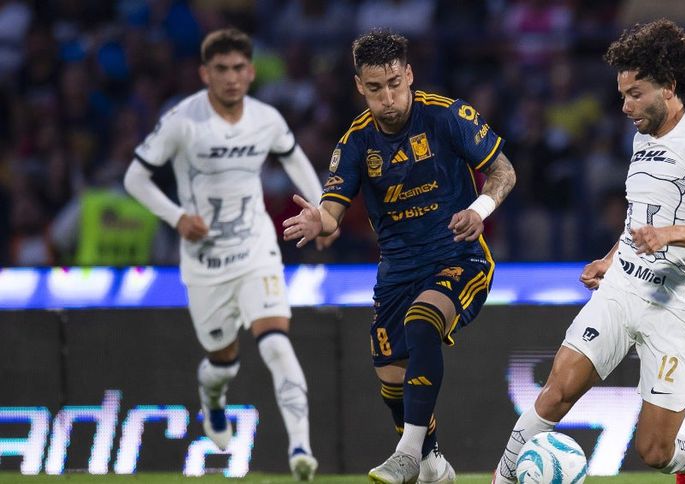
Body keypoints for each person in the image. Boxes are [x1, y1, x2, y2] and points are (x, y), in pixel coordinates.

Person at [493, 19, 685, 484]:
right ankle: (502, 479)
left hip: (677, 307)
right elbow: (639, 216)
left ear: (668, 87)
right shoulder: (642, 135)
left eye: (635, 94)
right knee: (557, 390)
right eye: (623, 95)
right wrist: (612, 257)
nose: (625, 106)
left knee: (655, 450)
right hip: (623, 287)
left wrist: (669, 235)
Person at [282, 30, 516, 484]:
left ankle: (406, 453)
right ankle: (432, 464)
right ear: (359, 86)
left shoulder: (447, 115)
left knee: (422, 321)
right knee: (392, 381)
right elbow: (331, 212)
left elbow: (503, 169)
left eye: (394, 84)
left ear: (408, 75)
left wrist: (479, 210)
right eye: (375, 88)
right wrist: (318, 221)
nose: (387, 98)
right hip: (397, 272)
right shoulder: (355, 142)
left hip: (459, 257)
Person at [123, 28, 332, 481]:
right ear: (205, 74)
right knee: (223, 361)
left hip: (256, 250)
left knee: (276, 341)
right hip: (206, 263)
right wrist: (178, 217)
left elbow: (294, 158)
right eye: (221, 69)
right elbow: (134, 179)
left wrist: (320, 211)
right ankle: (213, 397)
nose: (232, 77)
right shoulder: (182, 121)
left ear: (251, 72)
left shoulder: (266, 119)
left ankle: (301, 450)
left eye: (239, 68)